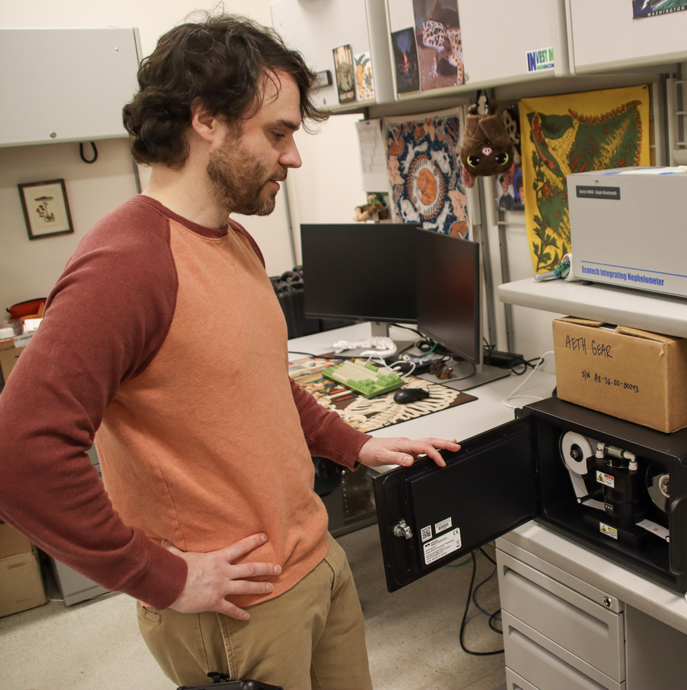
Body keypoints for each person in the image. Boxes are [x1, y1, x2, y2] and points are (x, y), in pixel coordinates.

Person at [0, 14, 459, 690]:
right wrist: (161, 576)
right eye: (277, 133)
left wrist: (352, 445)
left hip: (313, 563)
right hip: (236, 609)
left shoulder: (235, 241)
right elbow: (20, 454)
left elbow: (264, 381)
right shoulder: (127, 262)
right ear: (207, 119)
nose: (294, 157)